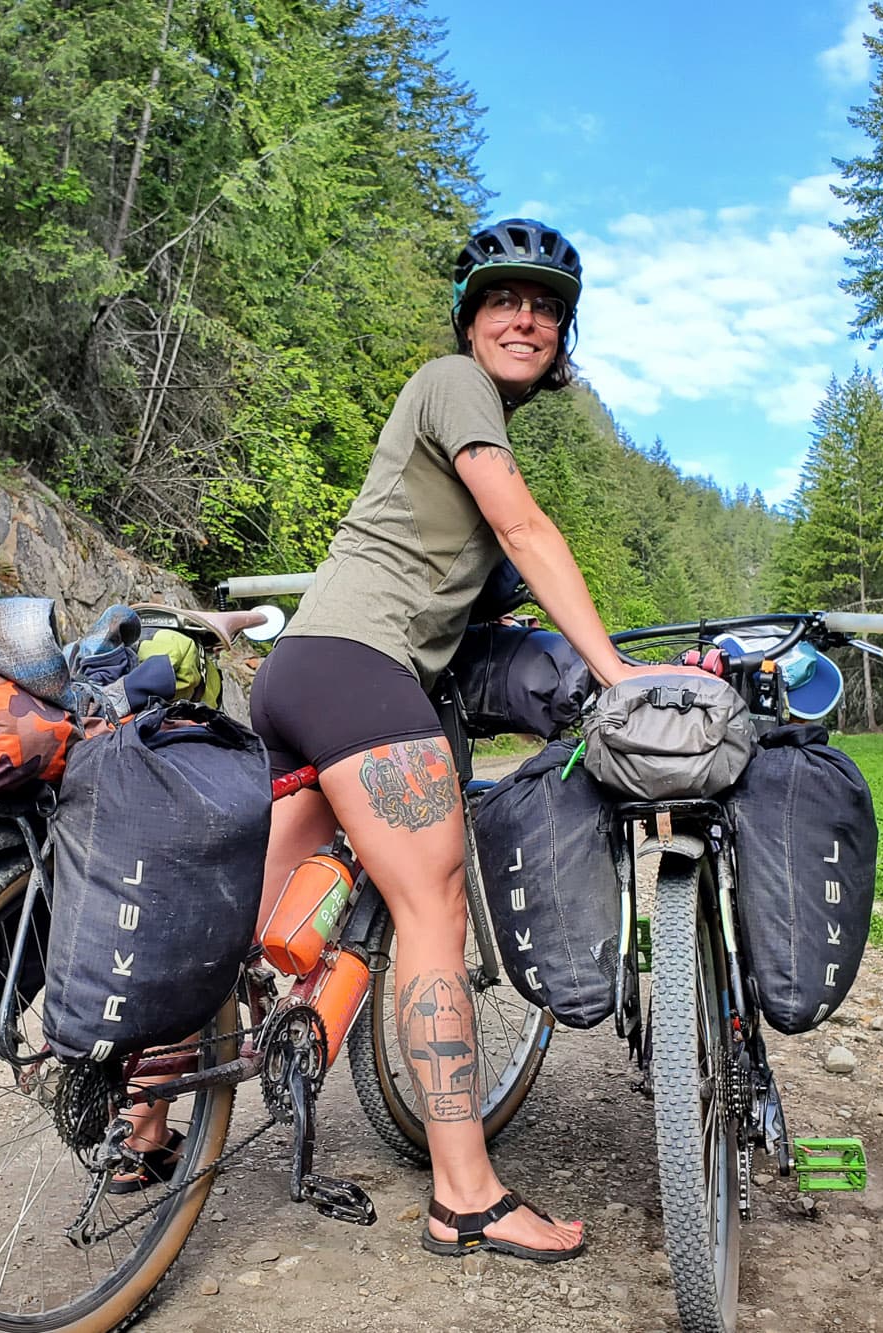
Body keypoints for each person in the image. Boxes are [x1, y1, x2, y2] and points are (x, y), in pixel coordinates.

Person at [223, 217, 679, 1262]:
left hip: (297, 673)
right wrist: (616, 676)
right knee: (433, 910)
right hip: (357, 672)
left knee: (245, 926)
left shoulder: (447, 427)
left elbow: (485, 595)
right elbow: (522, 526)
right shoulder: (450, 383)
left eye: (546, 307)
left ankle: (148, 1122)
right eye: (502, 301)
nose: (524, 319)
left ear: (562, 337)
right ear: (469, 320)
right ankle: (464, 1193)